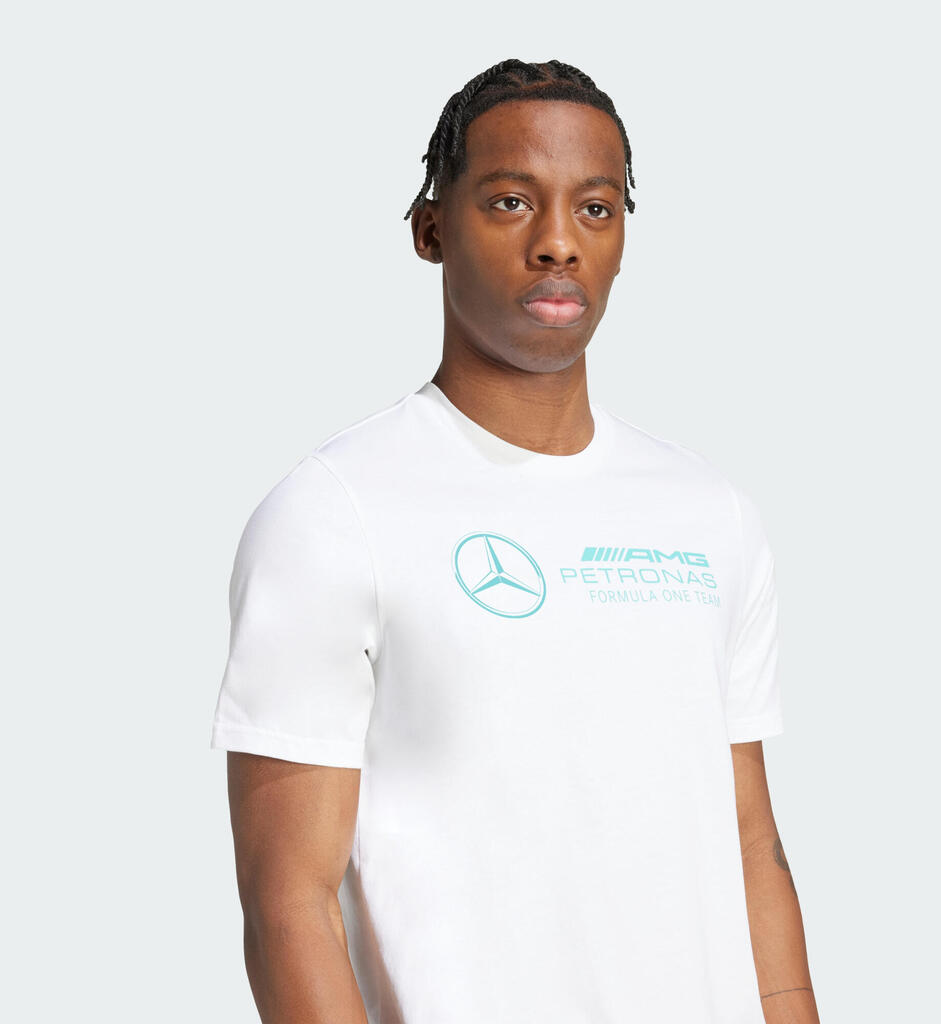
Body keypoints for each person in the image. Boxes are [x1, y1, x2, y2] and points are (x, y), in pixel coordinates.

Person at [210, 57, 820, 1024]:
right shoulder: (334, 513)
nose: (557, 243)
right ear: (431, 230)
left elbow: (752, 850)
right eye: (509, 202)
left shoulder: (711, 515)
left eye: (596, 208)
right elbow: (290, 903)